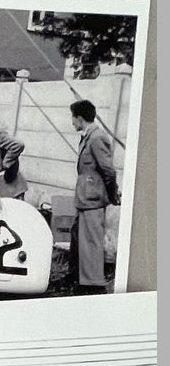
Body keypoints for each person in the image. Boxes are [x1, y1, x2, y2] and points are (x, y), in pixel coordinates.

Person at [70, 99, 120, 292]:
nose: (72, 122)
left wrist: (111, 193)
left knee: (91, 241)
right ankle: (82, 280)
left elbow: (108, 170)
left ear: (80, 118)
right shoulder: (88, 135)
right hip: (85, 196)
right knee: (81, 238)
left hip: (93, 198)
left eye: (73, 118)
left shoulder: (96, 137)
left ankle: (94, 285)